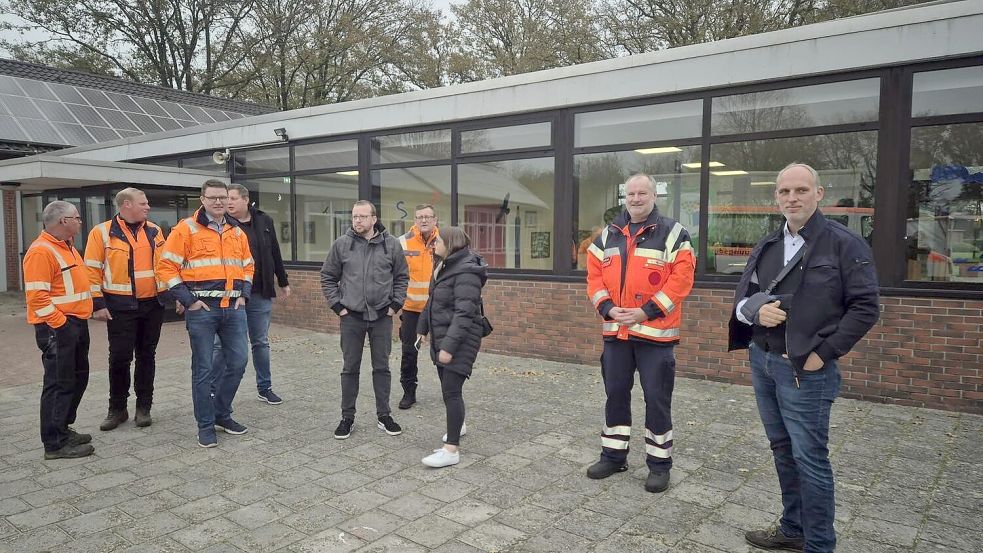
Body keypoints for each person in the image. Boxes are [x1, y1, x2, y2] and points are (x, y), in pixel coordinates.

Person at [729, 163, 879, 553]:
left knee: (810, 459)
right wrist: (756, 311)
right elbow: (743, 300)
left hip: (805, 371)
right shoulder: (769, 245)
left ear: (819, 193)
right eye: (784, 192)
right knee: (782, 449)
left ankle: (819, 544)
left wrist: (823, 354)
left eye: (800, 190)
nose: (792, 198)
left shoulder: (844, 244)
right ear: (776, 196)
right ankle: (794, 529)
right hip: (763, 362)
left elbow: (865, 308)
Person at [584, 174, 695, 493]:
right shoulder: (607, 234)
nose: (635, 198)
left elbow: (681, 281)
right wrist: (607, 307)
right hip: (615, 334)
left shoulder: (674, 233)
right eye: (630, 193)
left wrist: (645, 311)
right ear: (624, 197)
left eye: (642, 193)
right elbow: (594, 278)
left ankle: (659, 465)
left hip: (655, 337)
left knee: (657, 399)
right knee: (615, 394)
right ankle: (613, 455)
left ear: (654, 195)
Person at [156, 179, 255, 448]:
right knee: (203, 369)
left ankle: (221, 413)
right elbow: (166, 268)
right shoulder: (186, 229)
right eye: (213, 198)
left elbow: (248, 266)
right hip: (202, 310)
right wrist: (188, 300)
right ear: (202, 199)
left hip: (233, 308)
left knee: (238, 362)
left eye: (223, 197)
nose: (219, 202)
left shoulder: (237, 232)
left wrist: (244, 295)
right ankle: (205, 425)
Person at [320, 200, 409, 440]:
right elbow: (328, 277)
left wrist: (395, 306)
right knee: (350, 369)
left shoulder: (391, 245)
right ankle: (347, 417)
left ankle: (384, 415)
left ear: (373, 219)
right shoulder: (342, 245)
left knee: (382, 368)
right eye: (354, 217)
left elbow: (402, 277)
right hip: (351, 317)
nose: (357, 221)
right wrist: (338, 306)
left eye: (362, 216)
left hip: (382, 317)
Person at [84, 188, 167, 430]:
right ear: (126, 204)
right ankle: (117, 409)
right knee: (119, 358)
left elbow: (163, 265)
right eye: (143, 203)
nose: (148, 206)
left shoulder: (154, 230)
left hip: (152, 305)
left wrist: (171, 295)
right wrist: (97, 304)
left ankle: (144, 408)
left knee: (146, 356)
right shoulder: (102, 232)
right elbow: (91, 269)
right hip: (119, 307)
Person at [23, 201, 95, 459]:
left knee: (78, 378)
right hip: (58, 326)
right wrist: (62, 325)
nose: (80, 221)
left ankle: (62, 427)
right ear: (63, 221)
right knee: (58, 383)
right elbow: (37, 298)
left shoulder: (67, 246)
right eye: (77, 217)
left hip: (74, 323)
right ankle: (54, 443)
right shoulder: (42, 251)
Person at [213, 184, 291, 405]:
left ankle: (265, 387)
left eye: (233, 198)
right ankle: (214, 389)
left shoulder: (264, 220)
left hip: (260, 291)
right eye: (226, 198)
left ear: (246, 200)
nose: (228, 202)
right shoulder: (222, 224)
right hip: (231, 293)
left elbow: (274, 250)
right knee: (221, 344)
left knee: (260, 342)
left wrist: (282, 281)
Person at [416, 226, 487, 468]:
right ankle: (458, 425)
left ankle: (451, 450)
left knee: (451, 391)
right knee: (449, 389)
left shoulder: (466, 271)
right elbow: (432, 301)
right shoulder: (444, 266)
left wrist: (448, 347)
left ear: (450, 243)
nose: (433, 244)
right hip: (442, 336)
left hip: (459, 340)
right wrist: (422, 329)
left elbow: (464, 313)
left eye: (438, 241)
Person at [396, 204, 440, 409]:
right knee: (408, 353)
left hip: (438, 308)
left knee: (443, 351)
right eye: (419, 217)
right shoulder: (402, 242)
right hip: (412, 308)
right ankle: (408, 392)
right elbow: (393, 273)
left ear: (435, 220)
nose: (423, 220)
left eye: (427, 217)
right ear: (414, 220)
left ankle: (450, 391)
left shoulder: (444, 242)